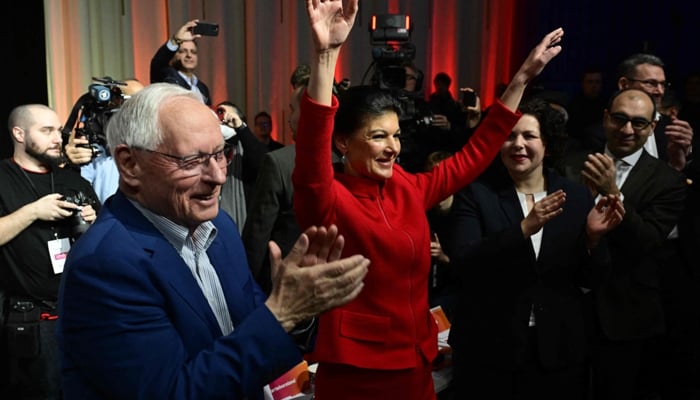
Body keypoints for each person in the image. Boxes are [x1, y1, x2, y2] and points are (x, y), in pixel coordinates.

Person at [292, 1, 564, 398]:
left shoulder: (406, 187)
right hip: (359, 370)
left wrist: (521, 79)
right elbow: (312, 141)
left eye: (396, 135)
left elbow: (472, 156)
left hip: (415, 362)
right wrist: (326, 54)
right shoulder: (326, 197)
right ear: (343, 143)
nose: (393, 148)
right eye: (378, 136)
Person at [56, 83, 369, 400]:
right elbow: (174, 392)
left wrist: (298, 312)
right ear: (130, 164)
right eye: (192, 160)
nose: (218, 176)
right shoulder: (105, 265)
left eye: (220, 154)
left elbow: (251, 330)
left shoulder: (220, 228)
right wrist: (282, 314)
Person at [447, 97, 624, 400]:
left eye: (528, 136)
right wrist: (523, 229)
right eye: (509, 136)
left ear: (547, 145)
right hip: (489, 345)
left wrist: (593, 240)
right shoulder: (476, 193)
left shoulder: (574, 195)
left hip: (557, 347)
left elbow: (591, 279)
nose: (518, 144)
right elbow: (464, 262)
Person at [563, 88, 688, 400]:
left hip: (626, 313)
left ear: (652, 127)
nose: (627, 129)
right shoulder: (571, 164)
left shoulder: (668, 180)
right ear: (605, 118)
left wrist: (612, 193)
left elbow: (648, 240)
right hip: (565, 306)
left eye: (639, 122)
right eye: (619, 119)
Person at [0, 104, 99, 399]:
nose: (58, 138)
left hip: (83, 312)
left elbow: (104, 241)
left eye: (58, 130)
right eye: (46, 131)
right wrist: (33, 212)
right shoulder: (3, 178)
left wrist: (95, 220)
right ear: (19, 134)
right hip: (32, 320)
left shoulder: (73, 180)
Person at [242, 64, 312, 294]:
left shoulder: (279, 163)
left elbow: (257, 236)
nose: (289, 119)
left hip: (284, 286)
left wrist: (245, 292)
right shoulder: (353, 161)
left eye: (293, 110)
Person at [63, 78, 145, 203]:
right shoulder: (94, 151)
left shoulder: (157, 145)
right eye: (129, 101)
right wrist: (71, 163)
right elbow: (75, 192)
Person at [616, 53, 694, 171]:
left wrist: (684, 154)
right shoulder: (602, 132)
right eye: (651, 83)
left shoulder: (672, 129)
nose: (660, 91)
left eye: (663, 84)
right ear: (624, 84)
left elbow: (680, 173)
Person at [216, 100, 267, 231]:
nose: (223, 120)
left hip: (242, 222)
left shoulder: (245, 149)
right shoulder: (209, 149)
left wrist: (240, 128)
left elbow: (260, 162)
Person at [150, 19, 212, 105]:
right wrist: (175, 40)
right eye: (183, 51)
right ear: (174, 55)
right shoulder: (167, 76)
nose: (189, 55)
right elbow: (158, 63)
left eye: (193, 52)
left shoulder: (203, 88)